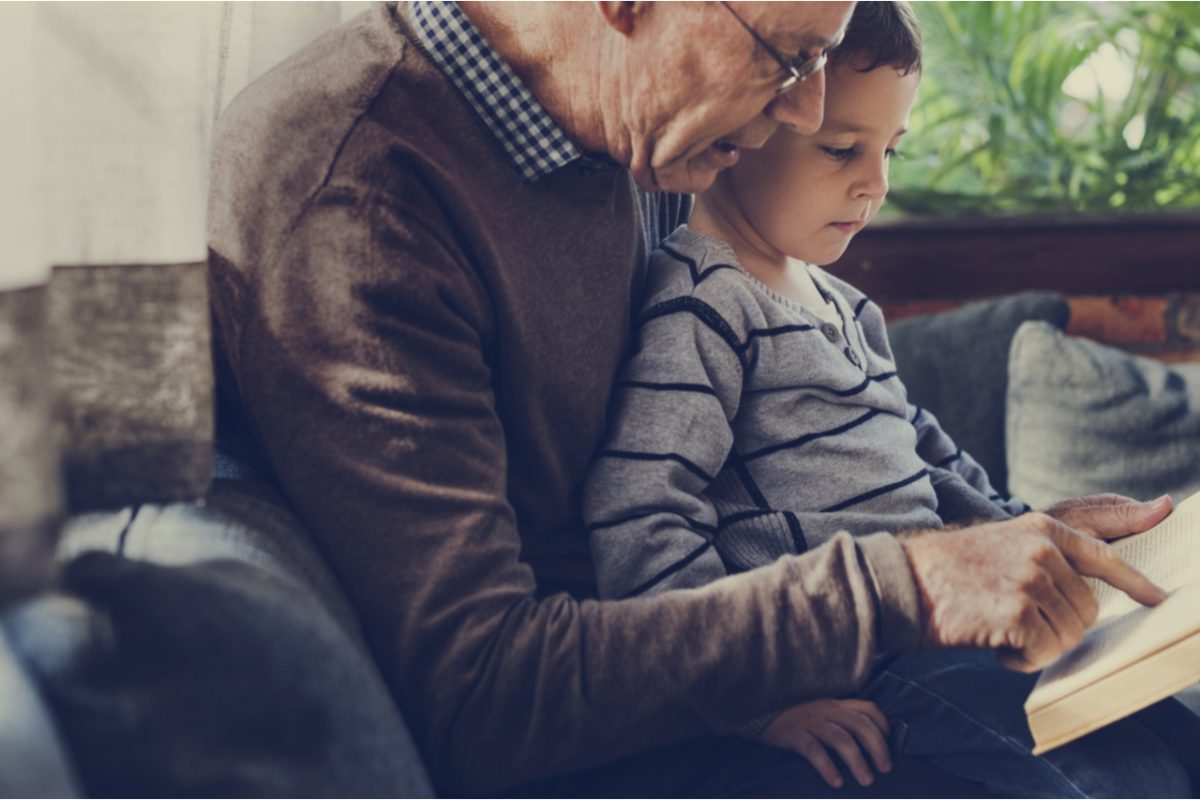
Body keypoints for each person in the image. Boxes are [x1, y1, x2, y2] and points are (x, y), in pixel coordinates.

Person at [206, 1, 1175, 795]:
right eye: (790, 57)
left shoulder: (639, 131)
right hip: (608, 737)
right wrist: (906, 585)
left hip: (742, 661)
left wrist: (1021, 536)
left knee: (1159, 724)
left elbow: (814, 414)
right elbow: (483, 695)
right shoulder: (357, 188)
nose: (800, 115)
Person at [583, 3, 1199, 796]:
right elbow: (640, 519)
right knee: (1115, 784)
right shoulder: (703, 304)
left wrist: (1032, 536)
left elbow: (928, 452)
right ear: (752, 122)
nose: (874, 184)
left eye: (891, 152)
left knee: (1169, 730)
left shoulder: (844, 304)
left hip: (952, 625)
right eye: (842, 149)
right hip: (871, 661)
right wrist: (759, 708)